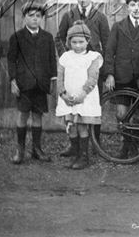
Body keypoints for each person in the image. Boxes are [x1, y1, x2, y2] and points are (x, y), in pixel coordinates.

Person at [55, 0, 109, 156]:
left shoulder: (100, 17)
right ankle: (74, 145)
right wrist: (69, 56)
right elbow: (59, 38)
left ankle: (95, 143)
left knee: (92, 105)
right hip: (73, 71)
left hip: (93, 69)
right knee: (70, 106)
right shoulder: (68, 16)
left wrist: (105, 70)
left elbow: (107, 43)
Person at [104, 0, 139, 159]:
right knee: (121, 114)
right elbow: (109, 52)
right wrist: (110, 74)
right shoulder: (118, 26)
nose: (136, 8)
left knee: (137, 116)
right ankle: (125, 145)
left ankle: (133, 147)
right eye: (133, 5)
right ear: (127, 7)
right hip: (121, 77)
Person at [7, 2, 57, 165]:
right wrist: (13, 81)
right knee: (22, 115)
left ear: (42, 18)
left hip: (41, 84)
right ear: (24, 18)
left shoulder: (48, 37)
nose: (35, 19)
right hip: (23, 84)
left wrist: (53, 79)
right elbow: (11, 60)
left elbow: (51, 60)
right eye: (31, 16)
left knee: (38, 116)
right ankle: (19, 150)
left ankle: (37, 149)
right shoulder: (17, 37)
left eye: (38, 16)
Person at [56, 21, 103, 170]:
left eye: (81, 42)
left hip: (84, 98)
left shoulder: (93, 57)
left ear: (88, 41)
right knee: (71, 127)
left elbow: (92, 78)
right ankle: (75, 153)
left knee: (82, 126)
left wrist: (82, 94)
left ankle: (84, 157)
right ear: (69, 42)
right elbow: (60, 77)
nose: (77, 45)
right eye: (74, 42)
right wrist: (63, 94)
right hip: (68, 98)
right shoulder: (65, 57)